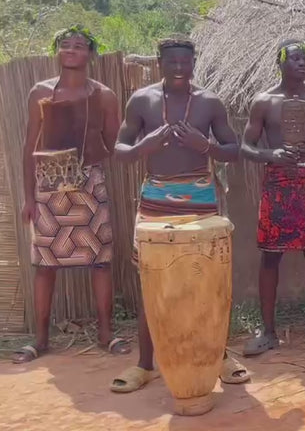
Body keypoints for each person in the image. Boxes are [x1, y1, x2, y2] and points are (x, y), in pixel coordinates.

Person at [109, 37, 250, 394]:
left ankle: (219, 357)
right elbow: (120, 150)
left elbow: (234, 150)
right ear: (159, 62)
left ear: (193, 63)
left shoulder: (209, 102)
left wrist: (206, 146)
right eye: (171, 61)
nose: (178, 68)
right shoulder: (142, 100)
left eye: (184, 62)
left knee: (208, 278)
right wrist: (144, 146)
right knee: (151, 280)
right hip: (156, 196)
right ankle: (145, 364)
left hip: (200, 195)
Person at [15, 26, 129, 363]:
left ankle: (106, 333)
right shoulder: (40, 92)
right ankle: (41, 339)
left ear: (90, 53)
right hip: (48, 186)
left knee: (100, 261)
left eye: (79, 45)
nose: (71, 50)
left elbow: (115, 144)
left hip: (90, 185)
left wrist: (91, 154)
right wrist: (28, 197)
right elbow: (29, 147)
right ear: (57, 51)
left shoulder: (104, 96)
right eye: (65, 45)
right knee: (45, 265)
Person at [240, 41, 305, 355]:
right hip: (277, 183)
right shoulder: (264, 102)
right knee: (270, 256)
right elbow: (246, 146)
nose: (302, 63)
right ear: (280, 62)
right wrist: (271, 154)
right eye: (295, 58)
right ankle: (268, 332)